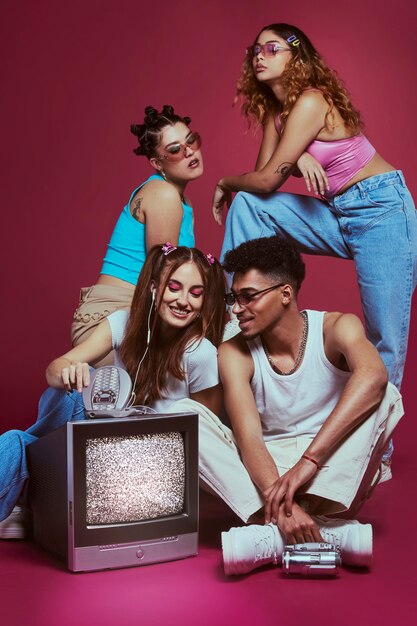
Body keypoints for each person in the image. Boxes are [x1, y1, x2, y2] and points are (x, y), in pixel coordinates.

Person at [213, 23, 417, 401]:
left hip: (381, 211)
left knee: (383, 339)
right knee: (249, 205)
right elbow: (262, 178)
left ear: (297, 57)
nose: (260, 55)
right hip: (336, 212)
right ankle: (234, 309)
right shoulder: (278, 112)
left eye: (272, 49)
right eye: (255, 49)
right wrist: (298, 154)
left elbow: (270, 178)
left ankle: (378, 456)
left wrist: (226, 181)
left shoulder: (310, 100)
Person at [188, 236, 403, 575]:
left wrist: (309, 462)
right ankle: (316, 531)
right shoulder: (233, 353)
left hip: (330, 473)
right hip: (267, 478)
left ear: (285, 294)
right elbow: (249, 440)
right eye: (234, 297)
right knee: (184, 416)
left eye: (248, 297)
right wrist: (285, 505)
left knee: (384, 393)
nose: (236, 308)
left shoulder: (335, 327)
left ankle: (272, 534)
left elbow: (374, 376)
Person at [0, 244, 227, 539]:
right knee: (24, 434)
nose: (183, 301)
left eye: (196, 293)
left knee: (27, 442)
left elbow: (203, 436)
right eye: (174, 287)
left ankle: (28, 483)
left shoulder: (201, 354)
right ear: (155, 288)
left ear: (204, 301)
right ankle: (33, 468)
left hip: (145, 468)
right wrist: (69, 369)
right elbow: (56, 367)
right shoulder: (123, 323)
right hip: (98, 441)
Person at [72, 105, 204, 366]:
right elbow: (164, 275)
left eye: (191, 140)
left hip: (134, 313)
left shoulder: (180, 199)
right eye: (175, 150)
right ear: (157, 163)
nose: (189, 151)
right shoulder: (163, 195)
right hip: (111, 320)